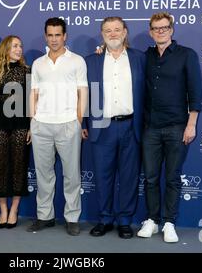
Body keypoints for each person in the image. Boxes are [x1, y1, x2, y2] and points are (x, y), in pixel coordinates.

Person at [137, 12, 202, 243]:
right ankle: (153, 220)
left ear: (172, 30)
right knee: (151, 178)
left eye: (164, 28)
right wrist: (100, 51)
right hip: (151, 128)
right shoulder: (145, 56)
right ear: (150, 32)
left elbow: (196, 92)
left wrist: (191, 125)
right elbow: (120, 59)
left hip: (177, 127)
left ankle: (169, 222)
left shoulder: (187, 55)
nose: (160, 31)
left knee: (173, 178)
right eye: (156, 28)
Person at [83, 17, 145, 239]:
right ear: (102, 35)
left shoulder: (140, 58)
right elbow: (83, 95)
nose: (113, 34)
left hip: (131, 124)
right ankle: (105, 219)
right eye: (107, 30)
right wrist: (83, 122)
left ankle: (125, 221)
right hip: (102, 124)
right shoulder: (91, 61)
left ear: (125, 32)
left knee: (129, 176)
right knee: (103, 175)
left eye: (117, 29)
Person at [27, 17, 88, 236]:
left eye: (58, 35)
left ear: (65, 36)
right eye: (50, 35)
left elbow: (83, 92)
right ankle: (45, 216)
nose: (54, 39)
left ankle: (72, 218)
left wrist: (78, 120)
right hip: (41, 125)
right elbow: (33, 93)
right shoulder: (38, 63)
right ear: (46, 36)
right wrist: (32, 121)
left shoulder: (77, 61)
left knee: (72, 175)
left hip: (68, 125)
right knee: (43, 174)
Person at [0, 35, 31, 229]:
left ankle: (14, 209)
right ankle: (3, 210)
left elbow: (31, 103)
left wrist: (31, 127)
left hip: (20, 125)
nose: (19, 49)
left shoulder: (28, 71)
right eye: (14, 46)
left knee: (19, 166)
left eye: (20, 46)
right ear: (5, 49)